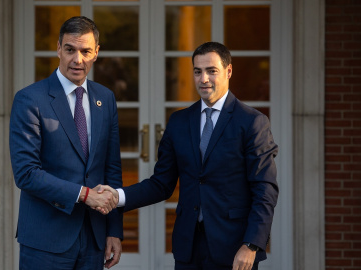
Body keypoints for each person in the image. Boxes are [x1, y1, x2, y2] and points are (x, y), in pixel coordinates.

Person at [99, 42, 279, 270]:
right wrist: (117, 196)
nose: (203, 79)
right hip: (188, 248)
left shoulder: (252, 122)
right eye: (197, 71)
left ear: (228, 71)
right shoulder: (179, 122)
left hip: (234, 249)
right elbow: (161, 184)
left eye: (211, 71)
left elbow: (265, 189)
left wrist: (252, 244)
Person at [9, 16, 123, 270]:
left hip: (94, 237)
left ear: (96, 53)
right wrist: (83, 195)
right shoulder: (30, 99)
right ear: (59, 48)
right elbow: (26, 174)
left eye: (86, 51)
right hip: (45, 238)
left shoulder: (106, 98)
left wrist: (114, 230)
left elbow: (111, 168)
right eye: (70, 50)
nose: (77, 60)